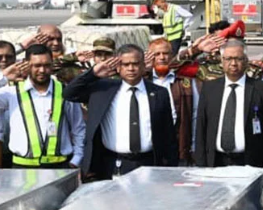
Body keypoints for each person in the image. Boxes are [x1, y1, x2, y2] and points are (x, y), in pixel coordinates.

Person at [63, 44, 178, 179]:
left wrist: (171, 169)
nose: (131, 68)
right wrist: (92, 74)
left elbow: (168, 134)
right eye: (126, 64)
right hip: (112, 164)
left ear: (143, 65)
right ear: (118, 67)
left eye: (135, 64)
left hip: (149, 163)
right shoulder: (103, 90)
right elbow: (69, 93)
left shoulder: (158, 93)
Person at [0, 45, 85, 169]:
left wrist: (76, 159)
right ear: (26, 64)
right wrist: (2, 78)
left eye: (47, 65)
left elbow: (78, 128)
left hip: (59, 165)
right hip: (22, 167)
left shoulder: (65, 92)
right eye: (37, 66)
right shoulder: (13, 93)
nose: (42, 70)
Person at [195, 40, 263, 174]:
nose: (233, 63)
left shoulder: (261, 90)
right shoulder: (210, 89)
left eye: (238, 58)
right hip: (216, 163)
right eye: (228, 59)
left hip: (250, 164)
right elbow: (201, 128)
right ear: (221, 61)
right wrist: (201, 166)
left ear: (246, 60)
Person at [148, 38, 200, 165]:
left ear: (172, 56)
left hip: (178, 142)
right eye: (157, 54)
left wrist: (193, 146)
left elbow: (194, 115)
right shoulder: (144, 81)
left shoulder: (185, 82)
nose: (162, 57)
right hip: (150, 144)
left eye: (166, 53)